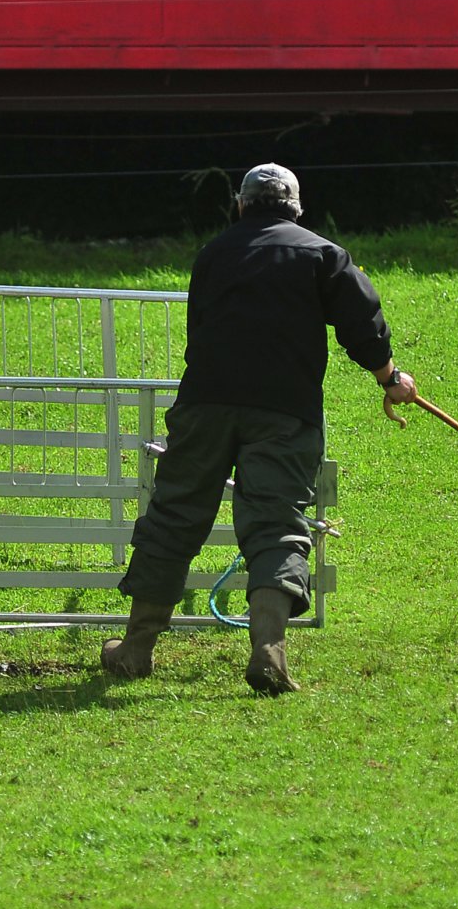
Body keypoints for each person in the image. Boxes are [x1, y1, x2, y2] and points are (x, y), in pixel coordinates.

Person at [100, 163, 417, 694]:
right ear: (296, 208)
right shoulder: (322, 254)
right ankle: (268, 652)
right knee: (275, 523)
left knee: (175, 513)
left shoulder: (213, 254)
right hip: (283, 411)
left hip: (205, 403)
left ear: (242, 206)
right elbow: (360, 320)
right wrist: (390, 377)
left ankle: (135, 649)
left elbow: (199, 328)